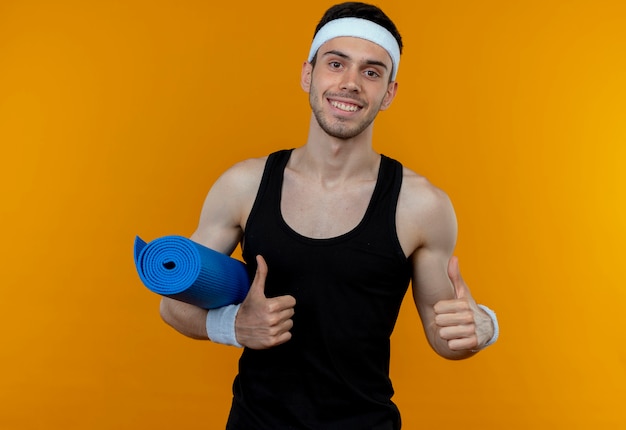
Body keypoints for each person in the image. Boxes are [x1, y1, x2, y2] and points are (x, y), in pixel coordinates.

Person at [160, 2, 499, 428]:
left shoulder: (422, 205)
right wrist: (233, 326)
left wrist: (484, 326)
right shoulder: (243, 186)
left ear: (389, 93)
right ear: (308, 74)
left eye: (372, 72)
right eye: (336, 63)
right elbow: (172, 304)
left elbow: (447, 336)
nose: (351, 83)